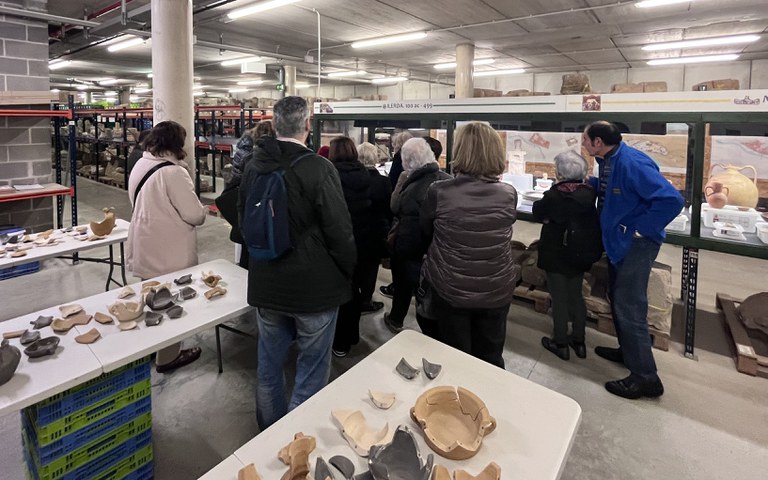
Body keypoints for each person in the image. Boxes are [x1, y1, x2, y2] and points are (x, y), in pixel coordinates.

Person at [240, 96, 355, 429]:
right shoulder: (319, 168)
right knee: (311, 370)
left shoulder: (253, 166)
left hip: (266, 283)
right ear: (308, 126)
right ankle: (295, 443)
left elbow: (243, 219)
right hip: (313, 289)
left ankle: (268, 433)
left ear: (274, 125)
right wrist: (347, 272)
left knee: (268, 365)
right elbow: (340, 230)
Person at [582, 121, 684, 399]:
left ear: (598, 142)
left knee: (629, 304)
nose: (583, 144)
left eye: (586, 140)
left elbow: (672, 200)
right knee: (618, 297)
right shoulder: (608, 160)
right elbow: (615, 190)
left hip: (636, 244)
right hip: (619, 241)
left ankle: (646, 377)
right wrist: (588, 182)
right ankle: (628, 352)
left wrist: (641, 229)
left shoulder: (631, 163)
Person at [419, 122, 519, 368]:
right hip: (496, 288)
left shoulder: (439, 192)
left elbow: (426, 234)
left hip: (451, 288)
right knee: (491, 358)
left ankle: (454, 404)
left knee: (455, 358)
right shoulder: (509, 193)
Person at [127, 120, 206, 373]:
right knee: (171, 300)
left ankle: (151, 348)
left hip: (144, 239)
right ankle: (168, 358)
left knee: (150, 296)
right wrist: (202, 209)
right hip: (169, 248)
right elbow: (194, 215)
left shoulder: (141, 163)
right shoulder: (174, 173)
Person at [532, 151, 601, 361]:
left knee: (559, 298)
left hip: (556, 253)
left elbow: (538, 212)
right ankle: (579, 340)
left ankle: (560, 342)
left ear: (559, 173)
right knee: (576, 296)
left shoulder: (554, 195)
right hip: (580, 253)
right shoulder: (589, 194)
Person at [328, 137, 391, 357]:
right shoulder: (366, 176)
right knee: (355, 292)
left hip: (338, 243)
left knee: (337, 294)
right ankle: (351, 336)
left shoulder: (330, 175)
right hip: (363, 244)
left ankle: (337, 342)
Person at [383, 137, 451, 336]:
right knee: (428, 291)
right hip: (437, 248)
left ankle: (396, 319)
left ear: (407, 161)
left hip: (409, 245)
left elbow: (394, 207)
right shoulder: (447, 180)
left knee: (403, 285)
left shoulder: (407, 180)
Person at [221, 120, 275, 268]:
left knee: (245, 244)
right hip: (255, 201)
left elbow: (236, 176)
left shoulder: (243, 147)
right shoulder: (256, 156)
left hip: (243, 199)